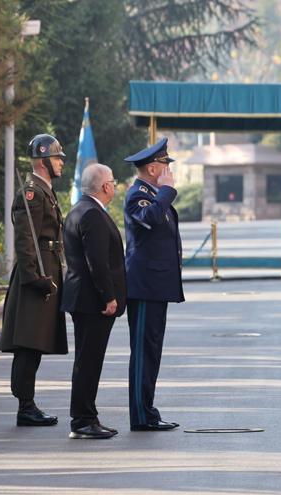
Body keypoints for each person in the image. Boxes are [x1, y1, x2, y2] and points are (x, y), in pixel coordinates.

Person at [0, 133, 68, 427]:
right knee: (28, 344)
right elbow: (26, 241)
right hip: (35, 276)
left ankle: (28, 404)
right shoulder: (32, 193)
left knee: (36, 343)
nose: (61, 163)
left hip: (46, 268)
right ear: (42, 162)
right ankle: (25, 406)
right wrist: (36, 277)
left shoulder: (44, 190)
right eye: (56, 158)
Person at [61, 163, 126, 439]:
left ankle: (88, 416)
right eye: (113, 181)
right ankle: (83, 420)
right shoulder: (92, 215)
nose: (115, 185)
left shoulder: (79, 210)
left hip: (84, 299)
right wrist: (109, 296)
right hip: (93, 302)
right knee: (89, 361)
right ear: (104, 186)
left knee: (87, 360)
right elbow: (96, 262)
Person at [123, 137, 184, 431]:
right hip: (145, 287)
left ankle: (147, 410)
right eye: (164, 164)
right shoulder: (139, 195)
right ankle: (140, 415)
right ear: (151, 169)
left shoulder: (152, 193)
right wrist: (167, 192)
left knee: (152, 351)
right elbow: (149, 219)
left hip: (156, 287)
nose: (168, 170)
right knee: (144, 353)